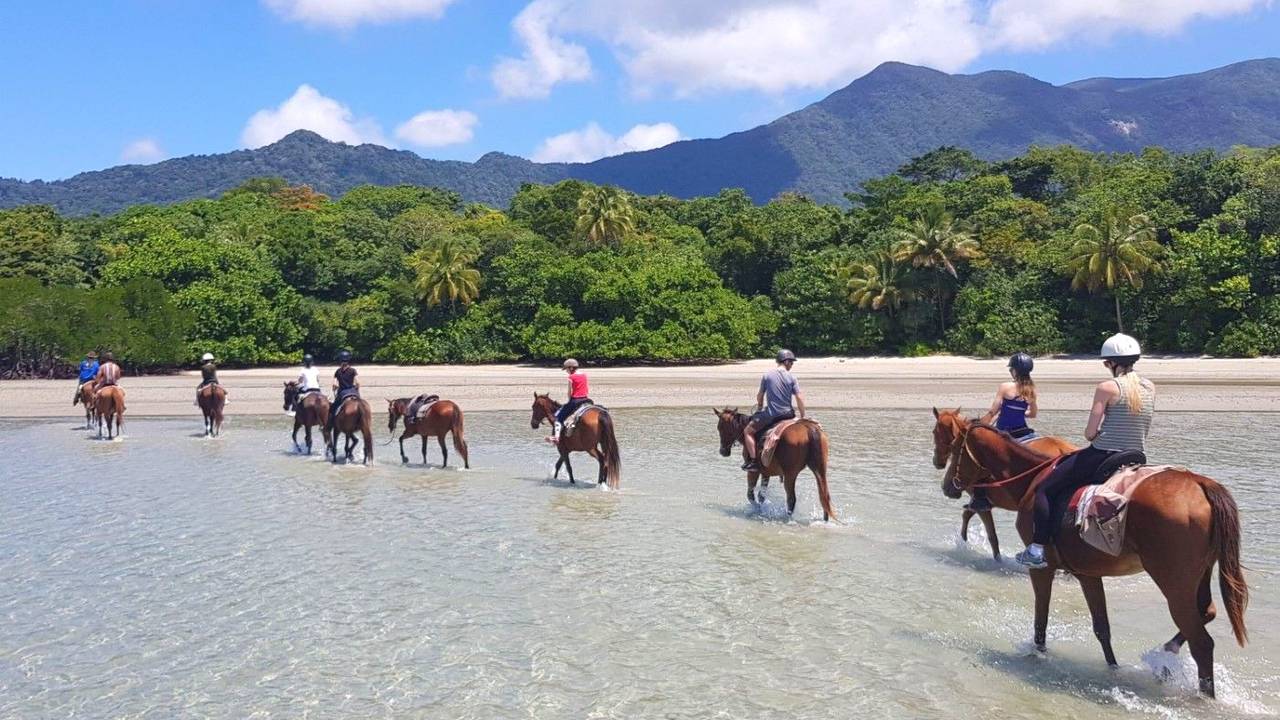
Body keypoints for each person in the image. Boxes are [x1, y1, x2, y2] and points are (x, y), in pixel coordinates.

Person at [1016, 334, 1155, 569]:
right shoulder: (1150, 387)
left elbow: (1090, 433)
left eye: (1106, 363)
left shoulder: (1107, 387)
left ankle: (1037, 549)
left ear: (1110, 363)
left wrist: (1097, 434)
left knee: (1045, 490)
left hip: (1104, 456)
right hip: (1136, 456)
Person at [970, 353, 1039, 511]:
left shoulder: (1005, 387)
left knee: (982, 460)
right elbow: (1033, 414)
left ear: (1014, 371)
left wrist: (979, 428)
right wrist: (1020, 412)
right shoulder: (1031, 390)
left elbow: (993, 411)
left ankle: (980, 498)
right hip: (1023, 432)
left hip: (1004, 433)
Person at [741, 349, 806, 472]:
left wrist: (760, 407)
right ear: (786, 361)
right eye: (791, 362)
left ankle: (754, 461)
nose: (792, 365)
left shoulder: (767, 375)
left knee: (748, 431)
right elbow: (799, 397)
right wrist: (802, 416)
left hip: (772, 414)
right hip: (788, 414)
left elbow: (760, 395)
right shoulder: (792, 377)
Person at [549, 358, 591, 443]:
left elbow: (570, 392)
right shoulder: (584, 375)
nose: (566, 371)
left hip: (575, 400)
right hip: (586, 399)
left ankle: (556, 438)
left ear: (571, 368)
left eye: (566, 369)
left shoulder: (571, 377)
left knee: (558, 417)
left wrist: (569, 401)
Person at [329, 350, 360, 427]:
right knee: (360, 403)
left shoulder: (338, 371)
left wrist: (334, 388)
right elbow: (357, 383)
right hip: (353, 392)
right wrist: (356, 390)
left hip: (343, 392)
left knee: (333, 408)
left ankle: (331, 424)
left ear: (340, 360)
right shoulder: (353, 370)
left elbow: (334, 384)